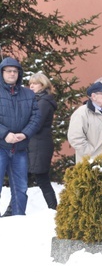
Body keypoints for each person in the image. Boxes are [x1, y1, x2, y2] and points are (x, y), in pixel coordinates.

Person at [0, 58, 41, 216]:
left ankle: (19, 220)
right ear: (2, 73)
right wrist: (5, 134)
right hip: (1, 147)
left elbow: (36, 117)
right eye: (8, 71)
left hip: (20, 149)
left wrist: (24, 134)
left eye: (15, 71)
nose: (12, 74)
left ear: (19, 74)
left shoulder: (28, 94)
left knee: (21, 188)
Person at [68, 81, 102, 163]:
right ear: (94, 96)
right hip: (89, 164)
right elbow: (75, 138)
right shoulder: (81, 113)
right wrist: (92, 155)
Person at [26, 72, 58, 210]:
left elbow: (36, 124)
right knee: (25, 179)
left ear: (43, 85)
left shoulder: (43, 102)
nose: (31, 86)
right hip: (35, 144)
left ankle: (54, 209)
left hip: (39, 145)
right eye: (30, 84)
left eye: (35, 83)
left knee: (41, 179)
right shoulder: (38, 100)